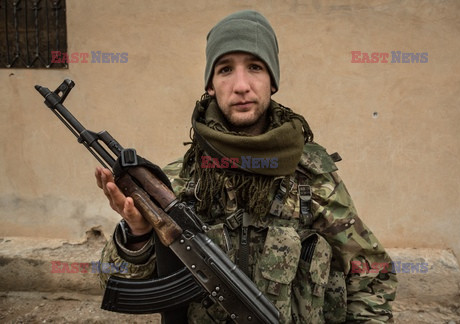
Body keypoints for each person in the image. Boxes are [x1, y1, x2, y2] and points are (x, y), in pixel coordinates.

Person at [96, 9, 397, 323]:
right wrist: (138, 235)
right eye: (225, 69)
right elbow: (113, 281)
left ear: (272, 81)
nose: (241, 85)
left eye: (255, 67)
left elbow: (372, 276)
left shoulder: (311, 176)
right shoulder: (176, 182)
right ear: (210, 84)